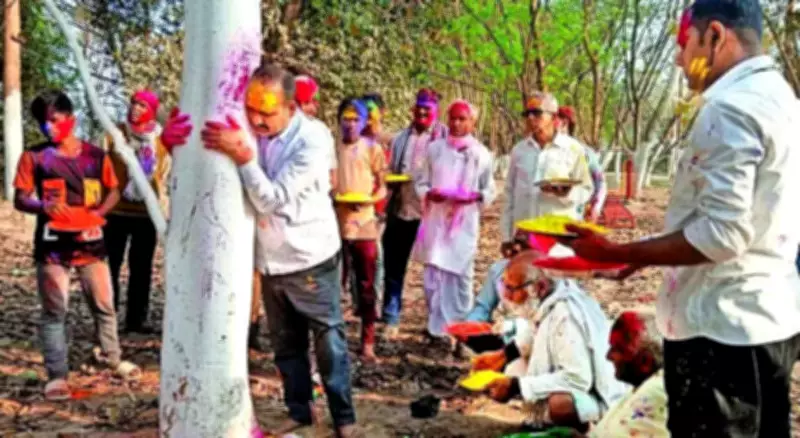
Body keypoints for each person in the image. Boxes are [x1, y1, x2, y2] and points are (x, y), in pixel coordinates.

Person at [562, 2, 800, 436]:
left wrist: (617, 250)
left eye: (684, 43)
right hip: (770, 321)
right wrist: (641, 255)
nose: (678, 58)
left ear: (714, 36)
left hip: (719, 333)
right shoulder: (782, 98)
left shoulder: (730, 107)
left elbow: (723, 235)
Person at [196, 63, 356, 437]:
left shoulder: (313, 140)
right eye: (251, 110)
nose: (256, 120)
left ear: (291, 107)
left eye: (266, 113)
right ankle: (299, 411)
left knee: (329, 342)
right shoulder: (250, 130)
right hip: (270, 261)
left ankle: (344, 417)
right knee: (286, 346)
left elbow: (272, 199)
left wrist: (244, 158)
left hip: (310, 258)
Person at [13, 91, 141, 400]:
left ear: (72, 119)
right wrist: (42, 206)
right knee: (54, 310)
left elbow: (114, 190)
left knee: (104, 304)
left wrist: (98, 215)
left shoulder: (95, 157)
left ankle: (112, 357)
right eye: (42, 122)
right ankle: (57, 374)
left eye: (54, 120)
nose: (48, 128)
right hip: (52, 246)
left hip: (90, 244)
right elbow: (20, 198)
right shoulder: (34, 157)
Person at [478, 251, 627, 432]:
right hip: (577, 378)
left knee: (560, 405)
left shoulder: (566, 317)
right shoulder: (548, 296)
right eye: (505, 287)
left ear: (539, 287)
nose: (507, 296)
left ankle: (581, 433)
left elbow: (577, 379)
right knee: (514, 367)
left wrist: (516, 387)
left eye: (512, 289)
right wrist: (501, 356)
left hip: (598, 396)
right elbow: (533, 332)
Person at [413, 99, 496, 343]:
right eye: (453, 118)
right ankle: (436, 330)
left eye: (462, 119)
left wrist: (475, 197)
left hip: (464, 225)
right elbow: (421, 181)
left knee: (461, 278)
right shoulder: (435, 149)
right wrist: (429, 194)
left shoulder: (481, 154)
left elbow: (489, 189)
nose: (457, 123)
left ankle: (460, 331)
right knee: (433, 279)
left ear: (473, 122)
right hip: (436, 222)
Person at [101, 89, 171, 334]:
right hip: (115, 211)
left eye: (142, 105)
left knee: (141, 268)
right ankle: (108, 318)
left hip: (147, 213)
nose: (135, 109)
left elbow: (165, 173)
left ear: (152, 110)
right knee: (110, 266)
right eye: (133, 103)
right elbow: (101, 167)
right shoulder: (114, 135)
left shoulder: (162, 140)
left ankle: (136, 320)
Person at [381, 88, 448, 338]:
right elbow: (390, 169)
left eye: (427, 108)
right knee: (394, 265)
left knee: (435, 269)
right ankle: (391, 316)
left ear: (436, 111)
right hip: (402, 209)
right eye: (418, 107)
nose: (421, 112)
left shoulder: (445, 138)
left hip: (432, 215)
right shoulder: (401, 138)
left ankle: (436, 322)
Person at [499, 92, 592, 255]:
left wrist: (566, 192)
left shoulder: (573, 149)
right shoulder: (519, 151)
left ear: (553, 117)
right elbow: (509, 195)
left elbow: (586, 189)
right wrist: (506, 237)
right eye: (527, 113)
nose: (530, 118)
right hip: (524, 238)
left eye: (537, 113)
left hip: (558, 240)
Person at [332, 97, 386, 360]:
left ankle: (368, 340)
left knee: (366, 282)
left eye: (356, 119)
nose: (350, 124)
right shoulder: (331, 148)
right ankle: (332, 338)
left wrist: (370, 200)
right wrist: (334, 196)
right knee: (334, 282)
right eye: (346, 119)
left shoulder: (372, 149)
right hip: (336, 224)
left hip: (364, 224)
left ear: (364, 122)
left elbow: (383, 186)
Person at [588, 309, 668, 437]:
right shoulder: (640, 388)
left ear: (645, 362)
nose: (608, 356)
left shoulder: (657, 390)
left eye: (617, 349)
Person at [360, 92, 392, 309]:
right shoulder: (352, 140)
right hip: (357, 207)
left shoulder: (391, 142)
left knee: (377, 256)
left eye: (372, 112)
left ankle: (376, 301)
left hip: (382, 207)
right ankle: (361, 301)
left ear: (382, 113)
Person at [556, 106, 606, 223]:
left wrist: (595, 207)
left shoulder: (584, 152)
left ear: (564, 123)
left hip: (574, 219)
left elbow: (600, 183)